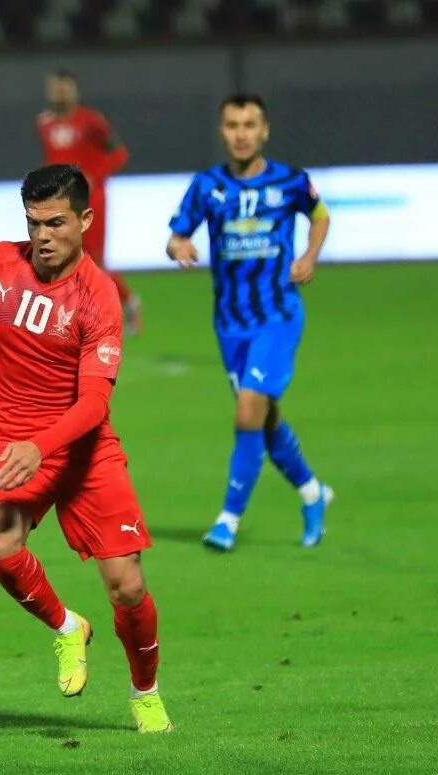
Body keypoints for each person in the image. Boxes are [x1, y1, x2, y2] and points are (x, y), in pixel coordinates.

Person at [0, 164, 170, 734]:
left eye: (55, 223)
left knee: (127, 585)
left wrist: (41, 444)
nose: (43, 235)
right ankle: (67, 628)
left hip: (82, 450)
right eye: (33, 223)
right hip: (13, 445)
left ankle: (144, 691)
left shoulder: (97, 298)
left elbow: (94, 403)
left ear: (85, 219)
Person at [166, 93, 332, 552]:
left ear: (265, 131)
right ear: (223, 132)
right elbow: (176, 236)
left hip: (277, 316)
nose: (241, 133)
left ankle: (228, 519)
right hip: (230, 323)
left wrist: (309, 255)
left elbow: (319, 216)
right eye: (233, 125)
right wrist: (178, 247)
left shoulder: (290, 181)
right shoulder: (207, 186)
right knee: (263, 417)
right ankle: (314, 493)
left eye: (250, 124)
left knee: (247, 412)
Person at [36, 69, 142, 336]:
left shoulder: (91, 121)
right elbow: (53, 158)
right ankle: (75, 319)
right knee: (61, 256)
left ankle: (126, 302)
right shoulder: (44, 124)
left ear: (74, 90)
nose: (60, 92)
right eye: (56, 87)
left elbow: (119, 152)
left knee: (91, 259)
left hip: (90, 198)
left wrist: (93, 176)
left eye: (65, 87)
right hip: (60, 199)